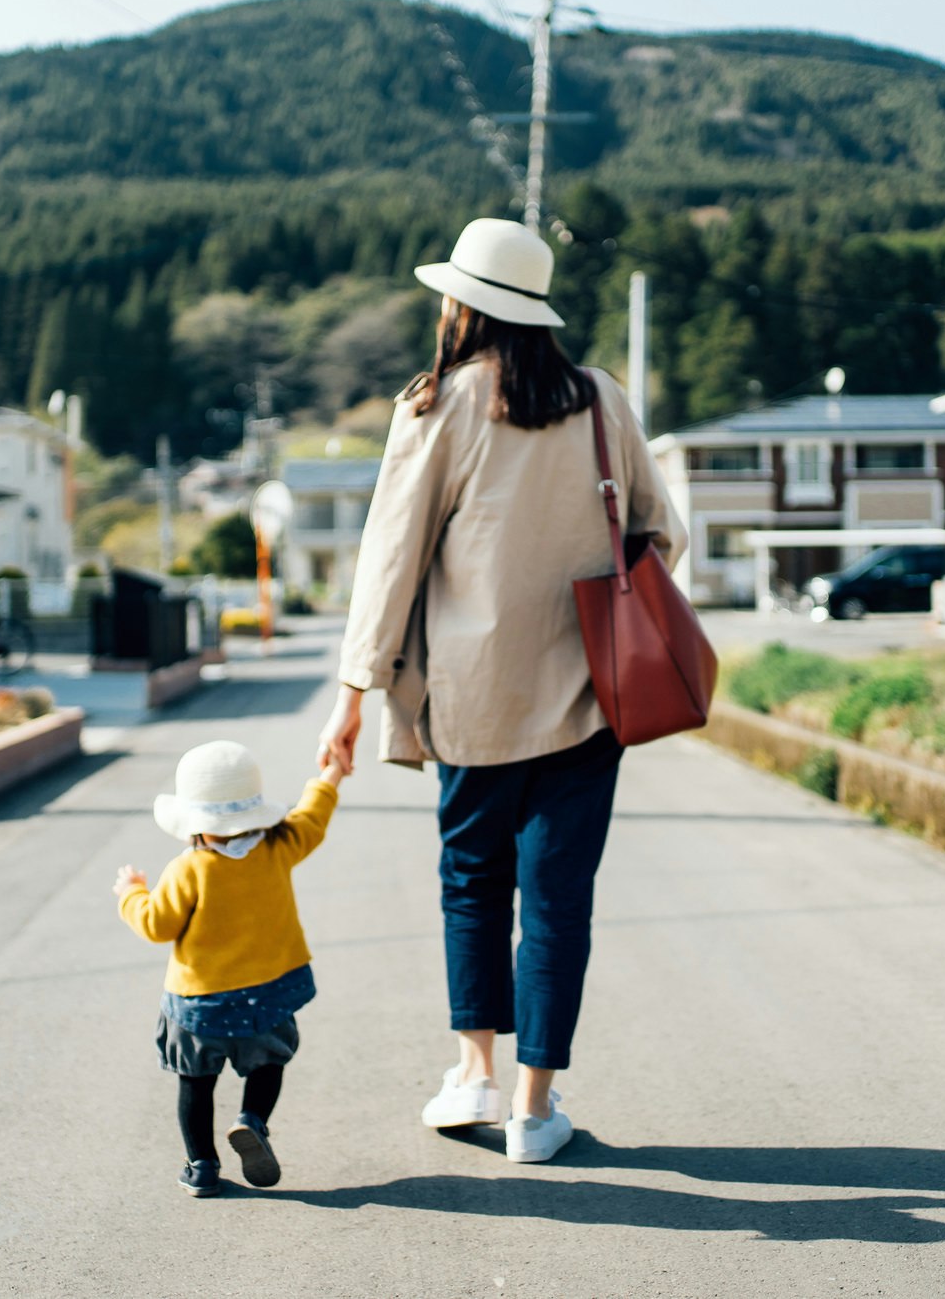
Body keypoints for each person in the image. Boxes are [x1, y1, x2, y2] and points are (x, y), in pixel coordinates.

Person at [318, 217, 685, 1164]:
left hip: (471, 701)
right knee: (559, 900)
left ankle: (472, 1075)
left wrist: (355, 690)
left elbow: (390, 558)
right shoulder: (601, 399)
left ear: (463, 305)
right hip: (591, 696)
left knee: (473, 889)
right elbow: (661, 533)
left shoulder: (436, 404)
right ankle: (534, 1108)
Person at [117, 739, 344, 1197]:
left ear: (191, 820)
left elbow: (156, 925)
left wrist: (131, 892)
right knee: (269, 1063)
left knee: (196, 1083)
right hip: (269, 995)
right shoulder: (279, 846)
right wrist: (331, 774)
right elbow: (312, 819)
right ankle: (252, 1120)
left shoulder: (190, 868)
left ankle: (201, 1166)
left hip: (202, 1001)